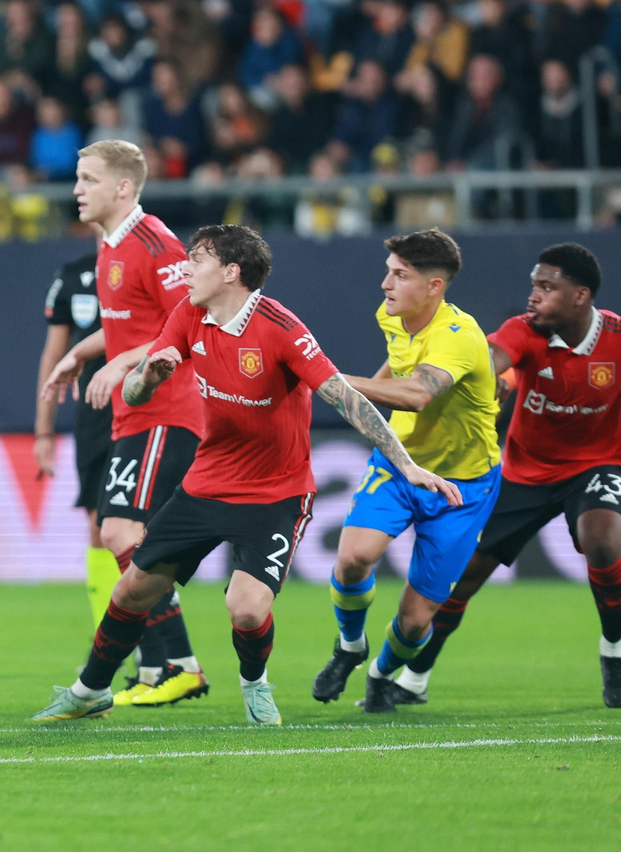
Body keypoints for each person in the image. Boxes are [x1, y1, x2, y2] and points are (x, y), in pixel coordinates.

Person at [31, 225, 461, 726]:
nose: (185, 269)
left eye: (198, 260)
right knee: (131, 590)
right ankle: (89, 691)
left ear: (232, 272)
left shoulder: (280, 328)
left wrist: (405, 463)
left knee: (247, 609)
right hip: (206, 484)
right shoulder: (188, 313)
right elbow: (132, 395)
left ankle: (255, 683)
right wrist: (149, 374)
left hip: (275, 494)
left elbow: (345, 397)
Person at [391, 244, 621, 708]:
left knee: (605, 541)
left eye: (546, 287)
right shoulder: (525, 331)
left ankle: (614, 651)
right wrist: (492, 379)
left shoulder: (617, 338)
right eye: (533, 285)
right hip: (523, 472)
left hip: (598, 464)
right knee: (466, 574)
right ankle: (415, 674)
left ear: (580, 296)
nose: (533, 296)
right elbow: (493, 360)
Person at [37, 141, 208, 708]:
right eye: (78, 178)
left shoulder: (155, 244)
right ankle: (169, 664)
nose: (77, 189)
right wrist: (82, 353)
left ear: (124, 188)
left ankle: (176, 663)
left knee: (121, 534)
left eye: (88, 179)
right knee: (128, 537)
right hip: (135, 414)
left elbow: (189, 324)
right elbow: (128, 325)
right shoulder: (109, 246)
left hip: (168, 410)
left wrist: (115, 363)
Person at [312, 229, 503, 712]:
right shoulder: (393, 316)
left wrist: (326, 379)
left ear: (435, 286)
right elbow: (395, 369)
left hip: (464, 486)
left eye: (400, 274)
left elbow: (418, 393)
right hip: (402, 466)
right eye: (388, 270)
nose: (385, 284)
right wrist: (358, 403)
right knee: (353, 557)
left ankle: (380, 675)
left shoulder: (458, 338)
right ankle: (350, 647)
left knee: (417, 621)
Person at [36, 240, 119, 622]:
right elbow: (54, 355)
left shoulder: (154, 261)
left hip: (151, 407)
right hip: (96, 414)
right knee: (99, 527)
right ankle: (111, 638)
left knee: (142, 532)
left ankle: (153, 640)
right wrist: (43, 432)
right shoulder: (73, 275)